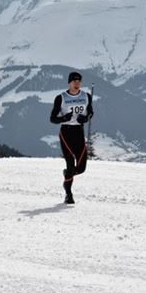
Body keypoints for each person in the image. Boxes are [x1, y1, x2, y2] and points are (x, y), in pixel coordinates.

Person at [49, 71, 93, 204]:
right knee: (70, 163)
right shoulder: (61, 98)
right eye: (74, 81)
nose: (77, 83)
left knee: (81, 168)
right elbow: (52, 119)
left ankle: (68, 173)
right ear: (69, 82)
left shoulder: (86, 96)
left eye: (79, 81)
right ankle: (68, 194)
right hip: (66, 133)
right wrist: (63, 118)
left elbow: (91, 112)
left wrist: (85, 118)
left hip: (79, 132)